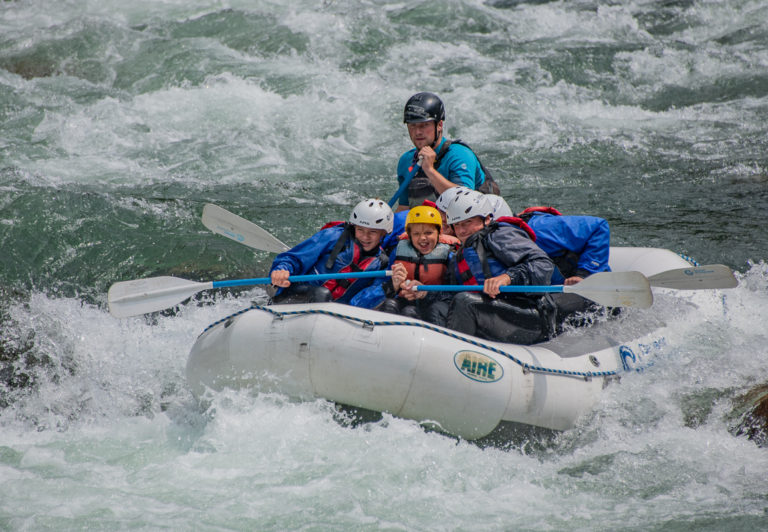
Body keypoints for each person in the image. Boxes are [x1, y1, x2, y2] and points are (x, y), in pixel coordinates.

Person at [442, 189, 556, 344]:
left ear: (487, 219)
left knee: (465, 302)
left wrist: (507, 278)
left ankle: (456, 357)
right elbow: (449, 295)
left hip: (531, 316)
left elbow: (543, 265)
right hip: (494, 313)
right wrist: (421, 294)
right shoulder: (459, 254)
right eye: (457, 225)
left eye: (467, 222)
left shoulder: (499, 235)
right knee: (437, 306)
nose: (461, 230)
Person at [269, 199, 393, 306]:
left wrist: (389, 287)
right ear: (354, 227)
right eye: (360, 230)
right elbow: (294, 258)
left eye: (372, 232)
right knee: (322, 294)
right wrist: (282, 269)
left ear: (383, 233)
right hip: (299, 295)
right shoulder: (333, 237)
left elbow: (360, 302)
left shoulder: (380, 263)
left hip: (332, 313)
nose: (365, 237)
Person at [395, 92, 500, 211]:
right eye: (412, 126)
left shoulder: (459, 154)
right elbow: (404, 208)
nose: (417, 132)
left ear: (439, 125)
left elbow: (463, 202)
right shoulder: (406, 160)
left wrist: (429, 170)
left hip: (471, 220)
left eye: (424, 125)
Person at [517, 206, 613, 327]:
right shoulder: (494, 245)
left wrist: (584, 274)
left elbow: (599, 226)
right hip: (555, 293)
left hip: (594, 292)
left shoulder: (541, 228)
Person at [377, 205, 454, 324]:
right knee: (389, 305)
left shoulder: (449, 256)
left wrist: (426, 293)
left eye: (429, 232)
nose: (423, 238)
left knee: (410, 311)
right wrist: (393, 287)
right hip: (404, 301)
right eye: (416, 234)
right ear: (409, 235)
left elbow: (453, 295)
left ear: (439, 233)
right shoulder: (397, 252)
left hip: (432, 307)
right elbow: (381, 284)